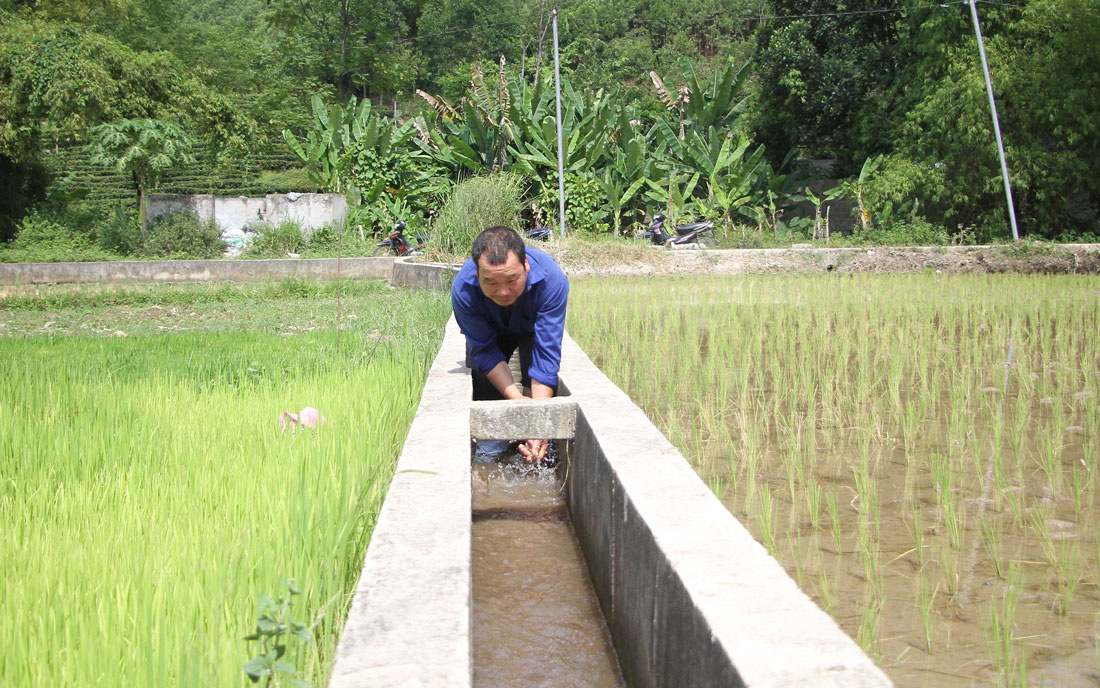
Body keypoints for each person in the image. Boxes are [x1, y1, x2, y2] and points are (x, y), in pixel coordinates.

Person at [451, 225, 569, 463]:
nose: (503, 292)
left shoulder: (551, 280)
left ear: (526, 267)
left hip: (531, 330)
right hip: (491, 330)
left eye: (512, 279)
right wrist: (515, 401)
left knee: (535, 389)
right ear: (477, 276)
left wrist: (537, 422)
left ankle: (535, 448)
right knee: (485, 388)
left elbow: (546, 357)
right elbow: (484, 350)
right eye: (491, 282)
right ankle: (489, 455)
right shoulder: (463, 290)